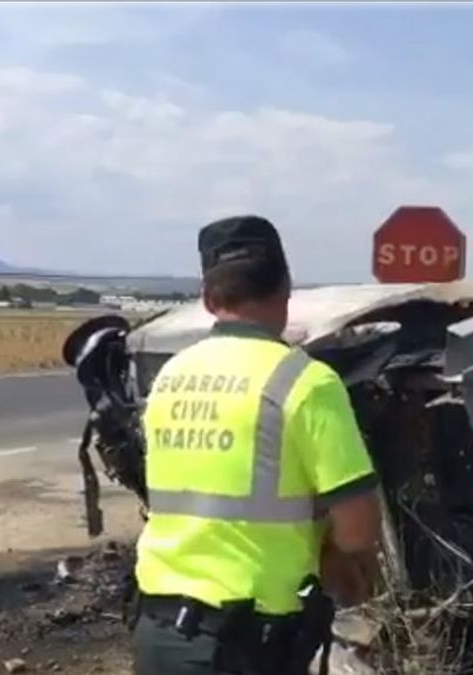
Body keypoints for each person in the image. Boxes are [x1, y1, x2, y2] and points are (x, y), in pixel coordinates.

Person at [129, 214, 384, 674]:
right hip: (248, 644)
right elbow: (358, 528)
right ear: (286, 288)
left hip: (158, 634)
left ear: (209, 298)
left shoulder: (170, 377)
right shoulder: (305, 383)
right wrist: (334, 555)